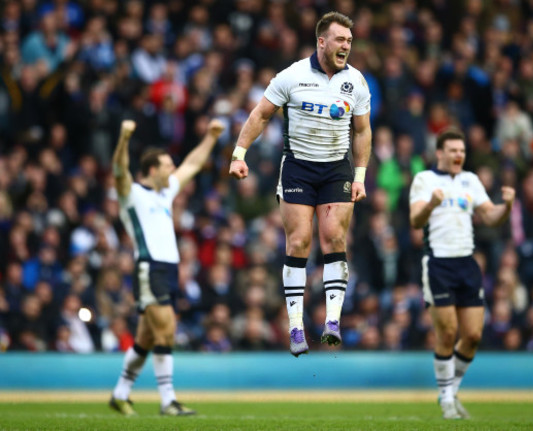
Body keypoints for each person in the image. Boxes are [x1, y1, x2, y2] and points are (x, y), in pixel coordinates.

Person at [229, 11, 371, 357]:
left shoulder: (357, 82)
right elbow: (260, 114)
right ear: (322, 41)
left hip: (338, 168)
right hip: (299, 168)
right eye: (340, 39)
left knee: (334, 236)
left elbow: (363, 130)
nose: (346, 46)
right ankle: (296, 327)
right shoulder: (291, 76)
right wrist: (238, 154)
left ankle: (332, 322)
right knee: (299, 242)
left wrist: (361, 176)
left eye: (349, 41)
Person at [109, 118, 224, 416]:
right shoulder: (131, 193)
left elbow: (193, 164)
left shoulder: (164, 192)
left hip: (169, 270)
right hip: (150, 268)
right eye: (166, 165)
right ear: (150, 170)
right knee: (167, 330)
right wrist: (123, 138)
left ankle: (120, 394)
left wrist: (211, 137)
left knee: (146, 339)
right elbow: (119, 170)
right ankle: (168, 401)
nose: (172, 169)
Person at [409, 129, 515, 419]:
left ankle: (451, 392)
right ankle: (446, 400)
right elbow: (415, 220)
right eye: (453, 150)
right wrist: (431, 204)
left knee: (472, 335)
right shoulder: (425, 181)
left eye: (462, 151)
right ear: (439, 152)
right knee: (448, 332)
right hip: (439, 263)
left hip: (467, 263)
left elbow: (491, 217)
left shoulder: (471, 180)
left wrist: (506, 206)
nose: (459, 155)